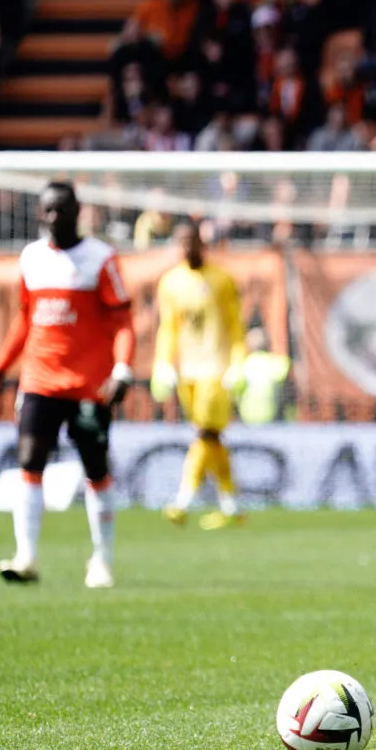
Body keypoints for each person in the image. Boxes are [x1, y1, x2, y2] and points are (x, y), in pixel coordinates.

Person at [0, 182, 135, 589]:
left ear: (77, 211)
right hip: (39, 379)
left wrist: (121, 369)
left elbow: (122, 321)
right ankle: (26, 557)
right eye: (48, 211)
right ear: (40, 214)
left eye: (62, 210)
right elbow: (24, 319)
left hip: (89, 385)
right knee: (30, 459)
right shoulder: (31, 258)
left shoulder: (101, 258)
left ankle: (101, 561)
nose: (55, 218)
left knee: (96, 469)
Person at [152, 220, 247, 530]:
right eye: (182, 242)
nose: (188, 248)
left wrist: (238, 362)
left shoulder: (221, 279)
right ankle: (231, 507)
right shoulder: (170, 283)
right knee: (213, 438)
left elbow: (235, 325)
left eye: (192, 242)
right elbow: (169, 328)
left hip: (217, 369)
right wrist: (164, 363)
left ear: (202, 244)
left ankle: (182, 502)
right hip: (188, 372)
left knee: (204, 434)